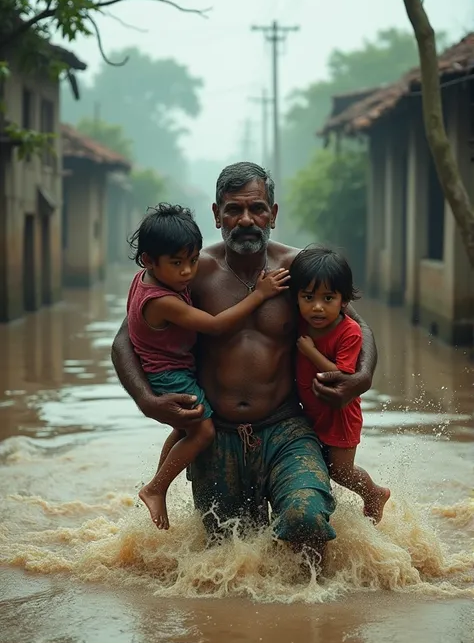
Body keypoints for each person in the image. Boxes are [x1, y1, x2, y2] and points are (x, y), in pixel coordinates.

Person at [112, 162, 378, 558]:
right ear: (217, 214)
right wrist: (147, 401)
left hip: (286, 428)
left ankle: (318, 619)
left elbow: (360, 327)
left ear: (273, 212)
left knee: (306, 521)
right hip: (214, 436)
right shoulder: (189, 272)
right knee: (226, 556)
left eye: (257, 208)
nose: (246, 220)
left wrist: (362, 377)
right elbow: (124, 341)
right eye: (234, 209)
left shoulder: (299, 269)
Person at [126, 203, 290, 529]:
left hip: (173, 370)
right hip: (169, 374)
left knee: (184, 427)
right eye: (177, 264)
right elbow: (214, 326)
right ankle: (156, 487)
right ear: (148, 261)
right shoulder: (163, 300)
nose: (188, 272)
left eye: (191, 260)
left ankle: (158, 484)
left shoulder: (146, 279)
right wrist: (259, 295)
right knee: (201, 431)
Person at [290, 245, 390, 524]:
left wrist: (310, 351)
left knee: (341, 471)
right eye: (308, 297)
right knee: (320, 466)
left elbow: (341, 376)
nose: (317, 306)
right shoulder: (301, 321)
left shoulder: (349, 331)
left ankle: (374, 493)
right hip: (311, 410)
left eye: (328, 298)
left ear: (344, 300)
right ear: (296, 298)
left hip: (340, 414)